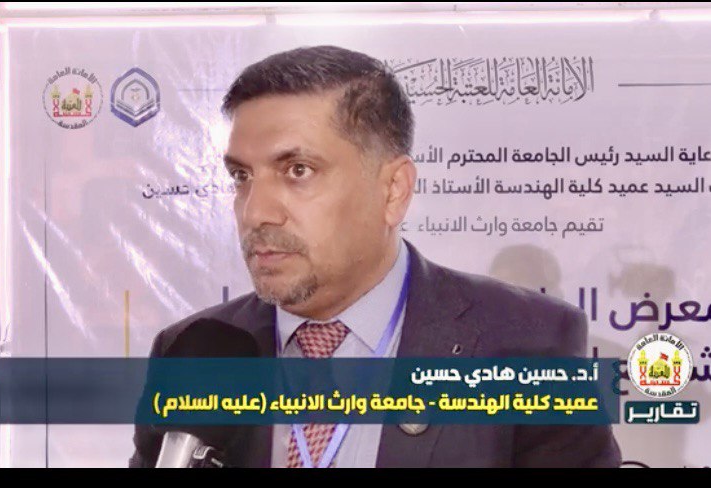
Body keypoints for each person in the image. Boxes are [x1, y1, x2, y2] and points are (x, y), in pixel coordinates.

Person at [130, 45, 621, 468]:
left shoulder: (527, 345)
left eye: (298, 170)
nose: (255, 211)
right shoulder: (192, 354)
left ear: (393, 191)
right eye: (242, 176)